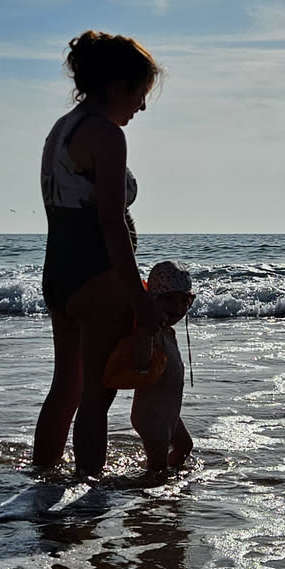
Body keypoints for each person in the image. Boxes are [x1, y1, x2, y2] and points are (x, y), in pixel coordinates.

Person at [31, 30, 164, 476]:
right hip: (97, 274)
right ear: (116, 86)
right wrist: (139, 299)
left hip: (59, 272)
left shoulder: (61, 129)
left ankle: (42, 479)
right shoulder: (106, 135)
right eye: (140, 93)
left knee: (65, 388)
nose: (141, 106)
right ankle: (88, 492)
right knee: (96, 396)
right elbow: (110, 222)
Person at [130, 261, 195, 473]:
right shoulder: (151, 332)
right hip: (152, 417)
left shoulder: (167, 331)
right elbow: (140, 363)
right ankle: (144, 488)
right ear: (152, 300)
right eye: (169, 299)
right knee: (157, 471)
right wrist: (145, 333)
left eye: (184, 300)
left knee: (185, 447)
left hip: (169, 413)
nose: (177, 307)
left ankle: (166, 477)